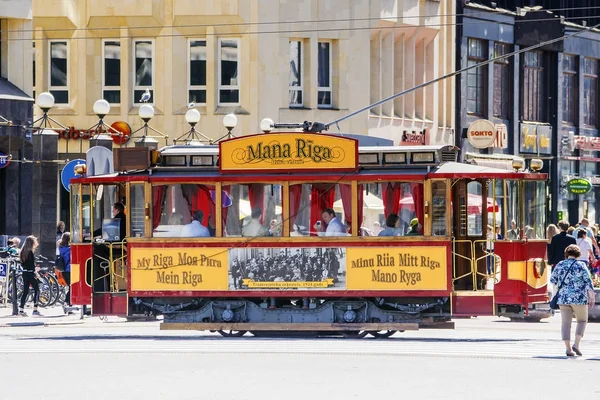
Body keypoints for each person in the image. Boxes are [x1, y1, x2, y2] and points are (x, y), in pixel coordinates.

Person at [550, 244, 595, 356]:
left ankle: (568, 349)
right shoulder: (581, 265)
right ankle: (576, 344)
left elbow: (553, 280)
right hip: (579, 298)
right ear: (578, 254)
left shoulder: (560, 264)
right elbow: (588, 282)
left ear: (566, 254)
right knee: (582, 321)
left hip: (563, 299)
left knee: (565, 324)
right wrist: (592, 297)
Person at [19, 236, 41, 316]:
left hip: (24, 273)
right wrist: (36, 272)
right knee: (37, 289)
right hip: (31, 273)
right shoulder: (30, 252)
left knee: (25, 291)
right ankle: (35, 310)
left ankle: (21, 309)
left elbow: (22, 263)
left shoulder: (22, 252)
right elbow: (32, 265)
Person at [58, 232, 72, 308]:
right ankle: (66, 302)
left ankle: (69, 304)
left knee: (70, 287)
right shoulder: (70, 249)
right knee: (72, 287)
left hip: (63, 270)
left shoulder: (60, 248)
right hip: (70, 270)